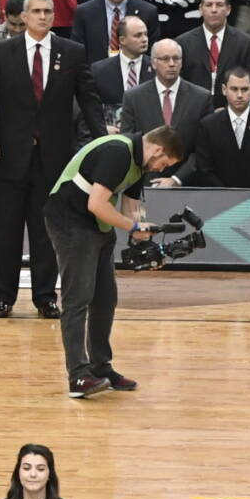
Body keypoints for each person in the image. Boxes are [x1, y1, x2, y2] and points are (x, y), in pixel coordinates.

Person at [0, 0, 105, 321]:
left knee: (47, 231)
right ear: (24, 16)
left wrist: (104, 142)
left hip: (54, 159)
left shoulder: (72, 52)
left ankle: (45, 297)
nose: (44, 16)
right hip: (8, 157)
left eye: (49, 11)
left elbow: (89, 100)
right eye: (37, 11)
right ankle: (2, 297)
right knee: (5, 230)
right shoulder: (1, 52)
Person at [44, 121, 185, 396]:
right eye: (165, 163)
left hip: (97, 224)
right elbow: (95, 203)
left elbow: (131, 208)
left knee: (106, 297)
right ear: (157, 150)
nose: (162, 170)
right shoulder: (117, 152)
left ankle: (100, 366)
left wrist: (143, 231)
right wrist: (131, 228)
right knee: (78, 298)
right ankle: (78, 376)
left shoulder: (139, 164)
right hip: (70, 220)